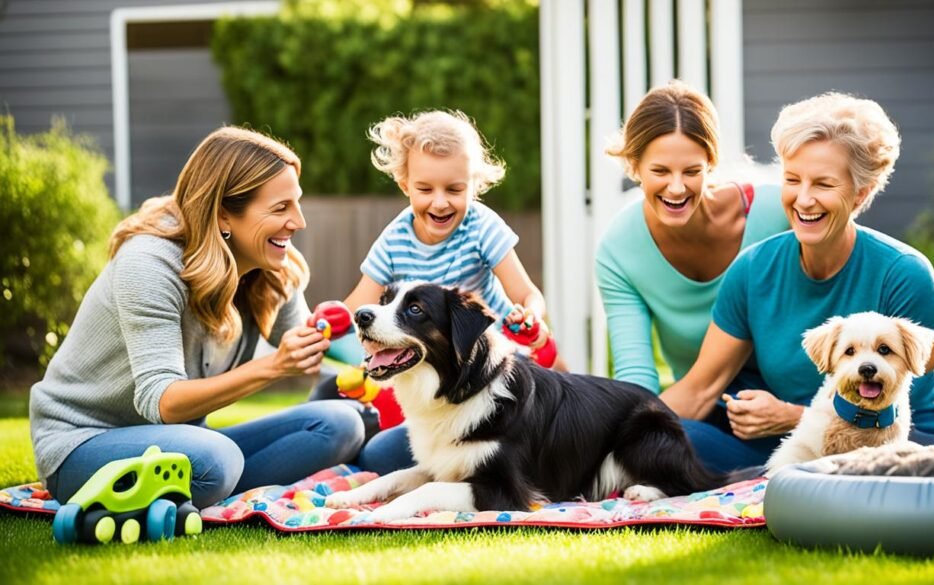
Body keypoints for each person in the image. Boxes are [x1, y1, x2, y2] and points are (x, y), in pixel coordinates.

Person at [29, 127, 364, 508]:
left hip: (184, 443)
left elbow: (316, 348)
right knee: (213, 460)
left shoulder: (271, 271)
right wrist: (273, 367)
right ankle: (208, 484)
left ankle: (207, 490)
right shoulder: (150, 265)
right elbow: (164, 401)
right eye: (281, 208)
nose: (299, 221)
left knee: (341, 424)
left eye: (297, 203)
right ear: (224, 214)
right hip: (83, 444)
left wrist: (373, 356)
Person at [659, 92, 934, 473]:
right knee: (671, 437)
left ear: (861, 193)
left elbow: (897, 412)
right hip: (804, 444)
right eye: (792, 180)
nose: (804, 200)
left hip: (906, 444)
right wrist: (619, 429)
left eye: (823, 184)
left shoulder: (904, 274)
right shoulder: (753, 268)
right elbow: (700, 389)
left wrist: (793, 416)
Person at [310, 110, 562, 472]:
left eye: (455, 189)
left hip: (482, 376)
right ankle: (344, 438)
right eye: (425, 189)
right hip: (422, 369)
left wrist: (530, 315)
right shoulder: (395, 238)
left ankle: (372, 446)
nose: (440, 202)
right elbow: (356, 307)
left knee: (381, 455)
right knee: (327, 393)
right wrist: (326, 323)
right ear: (404, 184)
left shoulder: (482, 226)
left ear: (474, 185)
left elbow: (526, 294)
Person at [596, 81, 790, 393]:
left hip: (797, 401)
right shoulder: (619, 250)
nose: (676, 188)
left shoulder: (776, 213)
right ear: (635, 166)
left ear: (711, 164)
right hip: (703, 405)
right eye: (660, 171)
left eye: (691, 171)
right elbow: (636, 373)